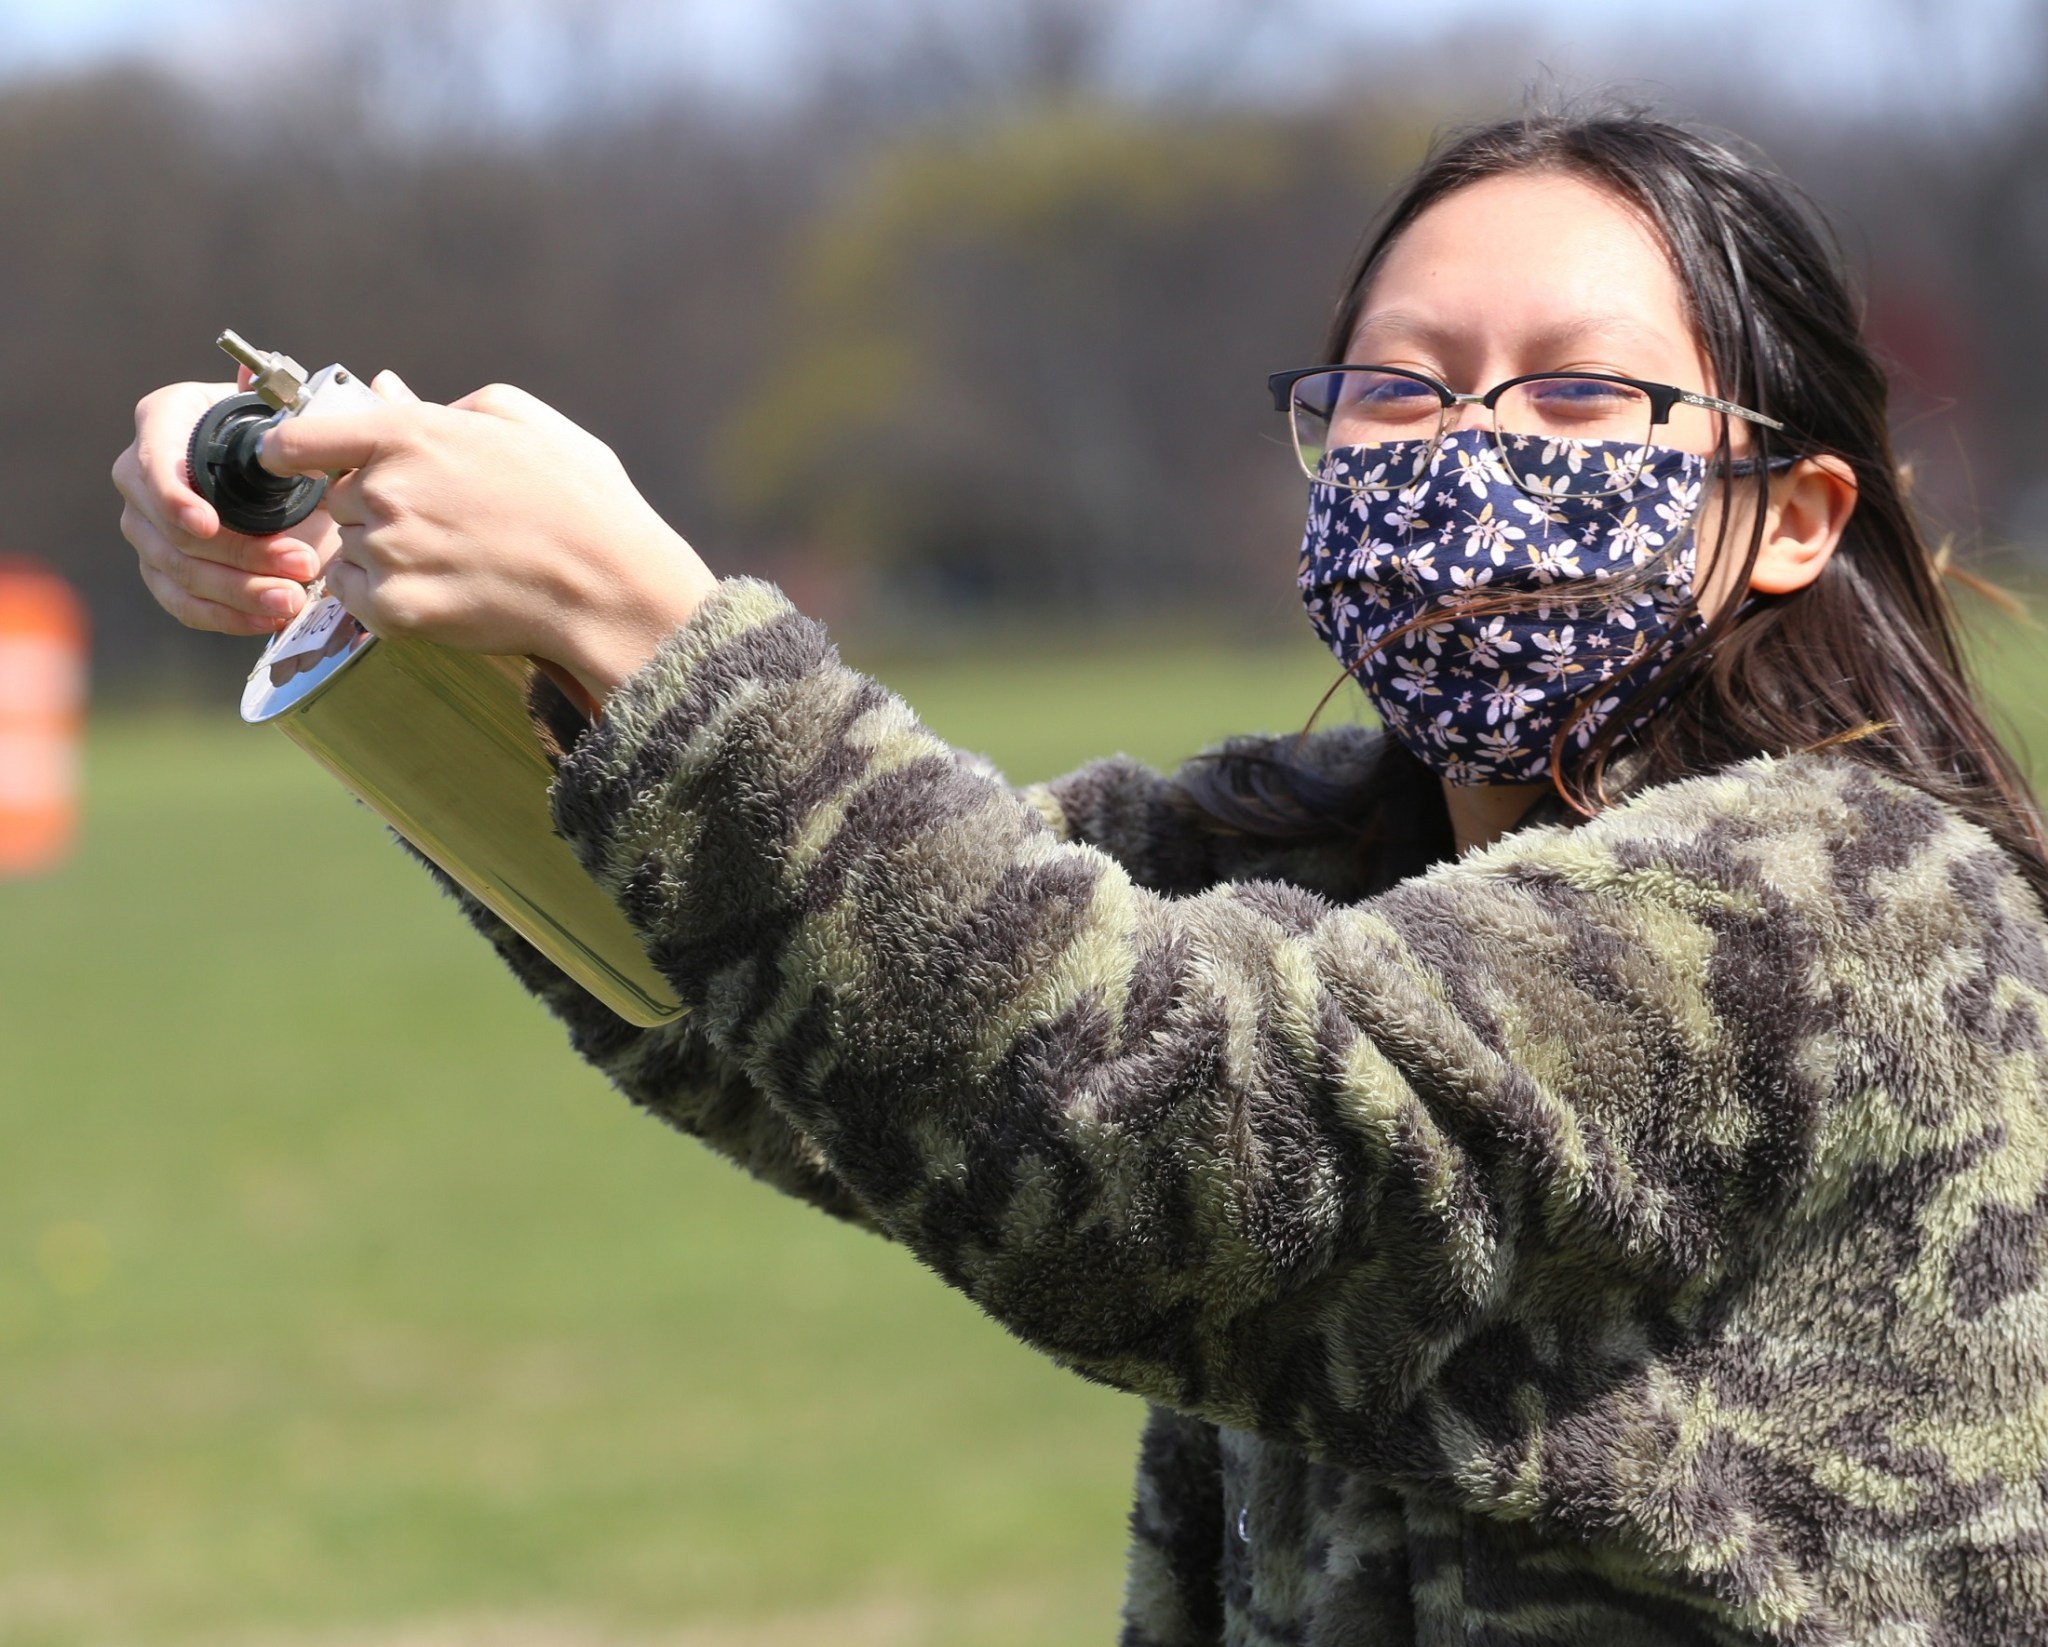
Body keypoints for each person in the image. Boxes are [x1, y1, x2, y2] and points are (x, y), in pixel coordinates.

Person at [115, 107, 2048, 1645]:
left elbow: (1175, 1148)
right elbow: (786, 1008)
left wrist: (651, 621)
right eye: (1402, 389)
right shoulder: (1310, 852)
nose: (1468, 452)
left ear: (1789, 517)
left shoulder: (1858, 906)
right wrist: (405, 615)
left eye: (1575, 397)